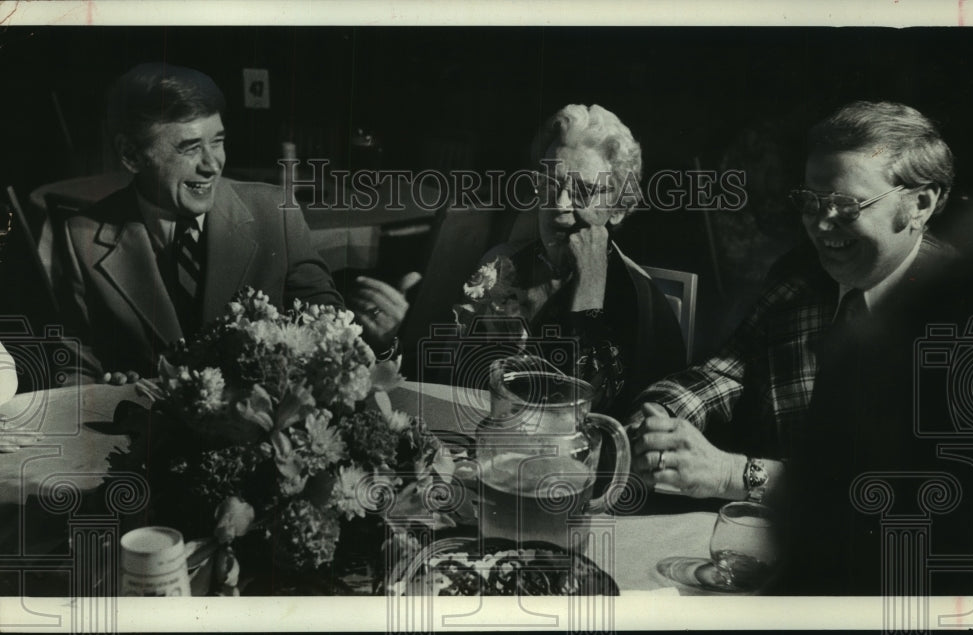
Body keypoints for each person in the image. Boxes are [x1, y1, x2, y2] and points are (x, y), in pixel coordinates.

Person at [629, 101, 973, 592]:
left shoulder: (961, 324)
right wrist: (656, 421)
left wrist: (732, 474)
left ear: (921, 204)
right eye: (810, 201)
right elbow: (725, 372)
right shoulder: (801, 277)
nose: (821, 225)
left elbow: (904, 501)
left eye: (846, 207)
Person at [56, 63, 409, 381]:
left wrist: (373, 336)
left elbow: (330, 327)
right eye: (190, 148)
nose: (213, 164)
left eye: (218, 142)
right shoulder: (80, 238)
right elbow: (75, 368)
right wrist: (108, 393)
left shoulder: (274, 213)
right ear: (132, 155)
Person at [452, 104, 686, 420]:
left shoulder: (640, 303)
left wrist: (589, 291)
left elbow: (592, 412)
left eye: (583, 191)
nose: (559, 205)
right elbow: (452, 378)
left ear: (618, 207)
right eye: (550, 184)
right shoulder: (500, 266)